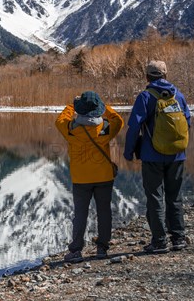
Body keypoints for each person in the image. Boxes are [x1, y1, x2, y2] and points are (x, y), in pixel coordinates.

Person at [123, 60, 190, 254]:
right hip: (177, 155)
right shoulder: (179, 96)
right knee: (175, 196)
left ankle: (160, 241)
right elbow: (187, 123)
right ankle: (178, 238)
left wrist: (129, 152)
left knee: (155, 197)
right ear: (165, 75)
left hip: (152, 156)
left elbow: (134, 127)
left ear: (147, 77)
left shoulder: (146, 96)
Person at [56, 91, 124, 263]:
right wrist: (104, 106)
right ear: (98, 109)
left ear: (79, 109)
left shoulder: (71, 129)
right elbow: (119, 120)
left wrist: (73, 104)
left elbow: (60, 120)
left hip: (81, 179)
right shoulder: (105, 128)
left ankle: (76, 250)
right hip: (104, 177)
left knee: (80, 214)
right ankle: (102, 248)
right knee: (104, 212)